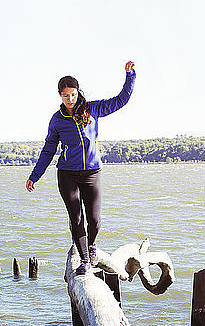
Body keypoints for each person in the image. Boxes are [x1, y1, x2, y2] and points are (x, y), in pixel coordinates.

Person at [25, 61, 136, 275]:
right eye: (66, 95)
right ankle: (85, 260)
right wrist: (34, 176)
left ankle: (91, 245)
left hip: (92, 172)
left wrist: (130, 76)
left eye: (73, 94)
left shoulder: (92, 109)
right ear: (60, 95)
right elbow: (48, 150)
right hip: (67, 174)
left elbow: (121, 100)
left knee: (94, 220)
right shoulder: (57, 120)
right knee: (76, 218)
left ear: (78, 93)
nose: (70, 99)